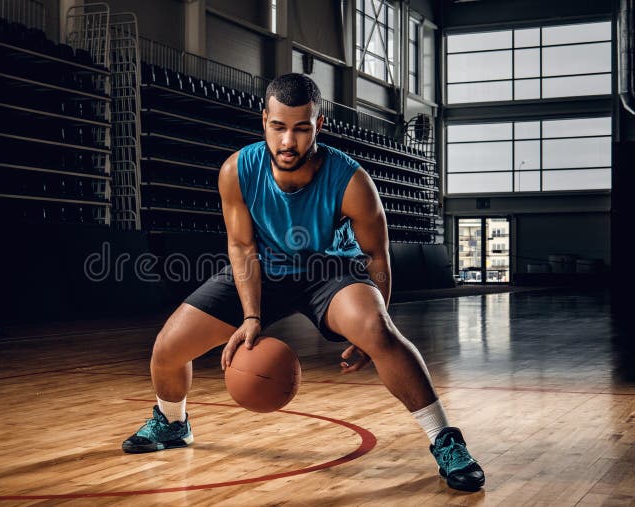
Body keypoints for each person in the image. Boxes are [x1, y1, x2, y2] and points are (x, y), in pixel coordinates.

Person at [122, 73, 485, 492]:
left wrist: (375, 322)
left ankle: (444, 439)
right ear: (264, 121)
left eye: (300, 128)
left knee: (380, 332)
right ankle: (171, 423)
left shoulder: (351, 181)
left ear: (320, 125)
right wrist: (252, 314)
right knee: (167, 349)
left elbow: (377, 257)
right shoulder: (236, 171)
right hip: (267, 268)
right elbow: (241, 248)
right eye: (278, 127)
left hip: (329, 270)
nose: (288, 142)